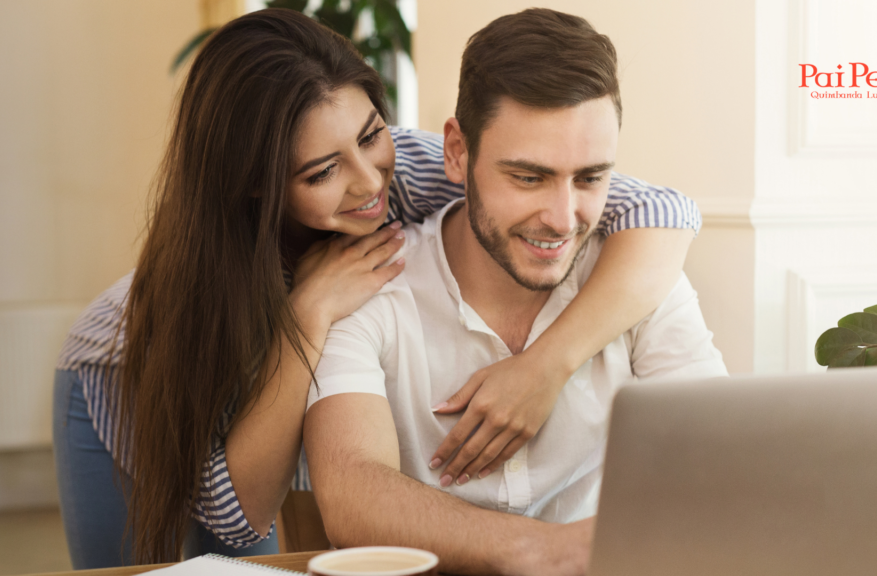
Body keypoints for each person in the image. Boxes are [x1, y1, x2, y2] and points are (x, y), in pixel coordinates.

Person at [53, 7, 701, 569]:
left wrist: (544, 365)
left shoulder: (416, 170)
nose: (369, 184)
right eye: (322, 170)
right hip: (132, 374)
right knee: (155, 566)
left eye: (370, 136)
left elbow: (663, 214)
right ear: (257, 183)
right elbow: (237, 514)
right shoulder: (210, 289)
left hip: (283, 359)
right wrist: (307, 312)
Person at [303, 9, 728, 576]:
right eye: (528, 177)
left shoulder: (640, 277)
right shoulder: (365, 283)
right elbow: (352, 491)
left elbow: (718, 463)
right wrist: (544, 551)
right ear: (457, 152)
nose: (562, 218)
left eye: (590, 178)